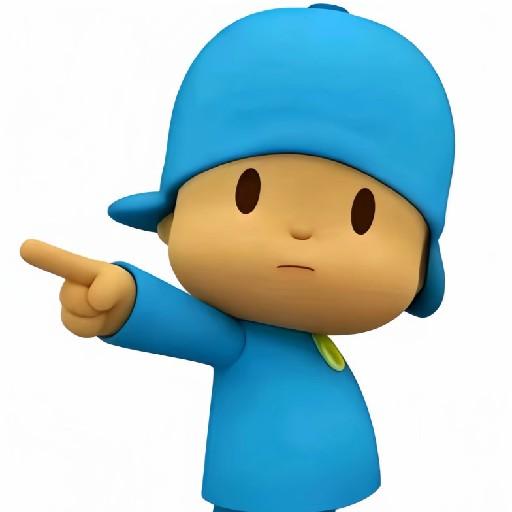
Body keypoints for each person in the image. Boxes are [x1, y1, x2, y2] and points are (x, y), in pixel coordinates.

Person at [20, 4, 455, 511]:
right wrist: (126, 301)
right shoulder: (241, 341)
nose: (301, 231)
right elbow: (189, 326)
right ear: (171, 221)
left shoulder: (305, 337)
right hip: (254, 494)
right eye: (249, 195)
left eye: (363, 215)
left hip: (332, 489)